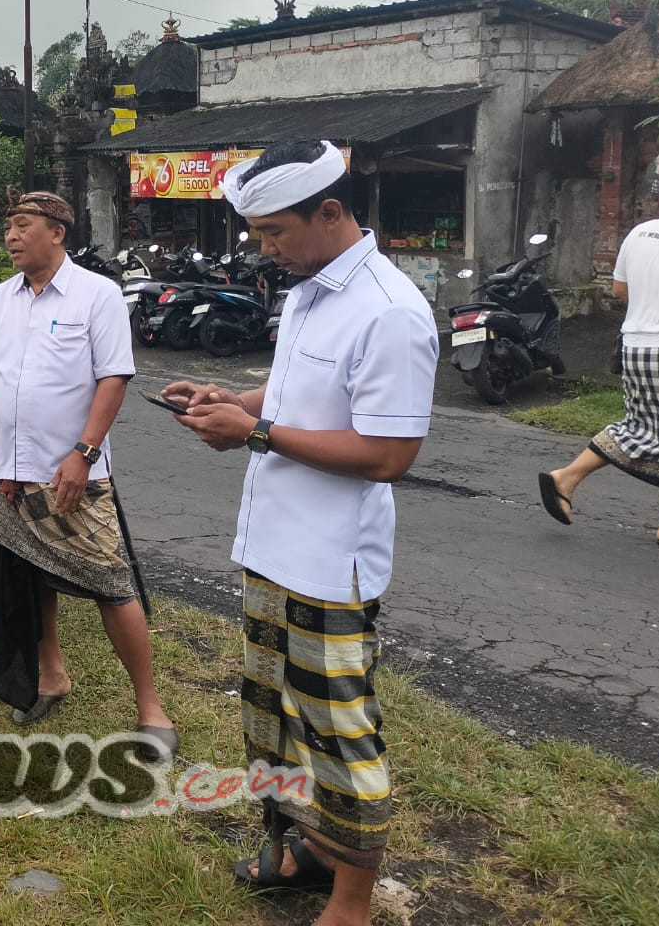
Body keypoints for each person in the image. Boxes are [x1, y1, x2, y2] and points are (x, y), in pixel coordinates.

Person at [167, 139, 437, 926]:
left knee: (338, 731)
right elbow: (298, 391)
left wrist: (254, 433)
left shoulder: (389, 311)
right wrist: (236, 400)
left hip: (328, 564)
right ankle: (307, 848)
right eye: (258, 233)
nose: (265, 248)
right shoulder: (313, 288)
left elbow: (388, 453)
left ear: (331, 211)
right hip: (271, 548)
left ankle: (352, 901)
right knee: (274, 717)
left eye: (274, 231)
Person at [0, 191, 176, 757]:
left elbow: (114, 378)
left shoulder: (97, 295)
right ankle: (51, 674)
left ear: (57, 232)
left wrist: (83, 453)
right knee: (29, 574)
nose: (11, 236)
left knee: (111, 582)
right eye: (7, 227)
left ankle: (150, 707)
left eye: (22, 225)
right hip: (12, 473)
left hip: (71, 474)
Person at [540, 174, 659, 543]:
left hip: (636, 346)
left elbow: (619, 290)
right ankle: (567, 477)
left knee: (638, 425)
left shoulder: (639, 234)